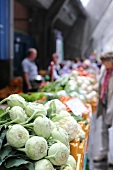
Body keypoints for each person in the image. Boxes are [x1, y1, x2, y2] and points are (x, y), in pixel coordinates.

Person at [94, 52, 113, 164]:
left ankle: (112, 157)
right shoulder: (104, 70)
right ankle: (103, 152)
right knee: (104, 129)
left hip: (112, 104)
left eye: (104, 61)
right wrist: (93, 89)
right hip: (104, 104)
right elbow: (101, 83)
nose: (102, 64)